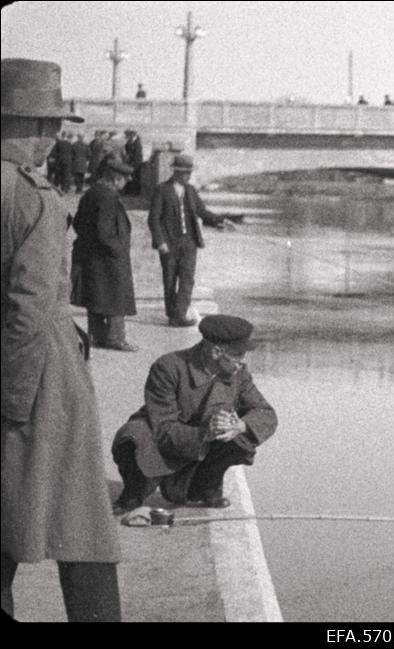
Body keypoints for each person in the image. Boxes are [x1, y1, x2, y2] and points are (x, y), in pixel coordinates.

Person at [1, 57, 122, 622]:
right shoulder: (34, 195)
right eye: (42, 125)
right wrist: (13, 401)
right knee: (81, 525)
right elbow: (29, 310)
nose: (51, 138)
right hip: (39, 380)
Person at [111, 315, 277, 512]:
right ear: (217, 352)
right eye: (238, 355)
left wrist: (239, 426)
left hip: (204, 444)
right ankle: (133, 494)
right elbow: (163, 428)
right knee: (134, 436)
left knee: (241, 440)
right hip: (165, 438)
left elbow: (265, 412)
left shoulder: (238, 372)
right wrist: (206, 432)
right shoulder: (168, 367)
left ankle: (206, 488)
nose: (242, 362)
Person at [148, 153, 232, 327]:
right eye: (186, 172)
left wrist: (220, 220)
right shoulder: (162, 190)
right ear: (177, 172)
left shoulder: (191, 191)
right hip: (169, 243)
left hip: (189, 242)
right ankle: (173, 315)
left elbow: (202, 212)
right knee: (170, 280)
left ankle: (179, 314)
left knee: (187, 279)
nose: (189, 175)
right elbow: (154, 219)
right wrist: (160, 241)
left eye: (190, 172)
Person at [70, 155, 138, 352]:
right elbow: (104, 231)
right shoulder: (108, 197)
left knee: (97, 297)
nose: (125, 184)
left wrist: (91, 242)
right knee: (117, 298)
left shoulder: (91, 193)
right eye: (124, 180)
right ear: (116, 178)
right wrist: (117, 250)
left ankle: (97, 337)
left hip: (92, 256)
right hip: (109, 258)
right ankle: (116, 339)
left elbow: (77, 223)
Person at [123, 128, 143, 195]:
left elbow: (137, 155)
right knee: (130, 177)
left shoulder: (137, 143)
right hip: (130, 162)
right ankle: (128, 191)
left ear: (134, 135)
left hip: (135, 163)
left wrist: (133, 164)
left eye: (131, 135)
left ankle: (135, 192)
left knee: (135, 178)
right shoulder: (130, 142)